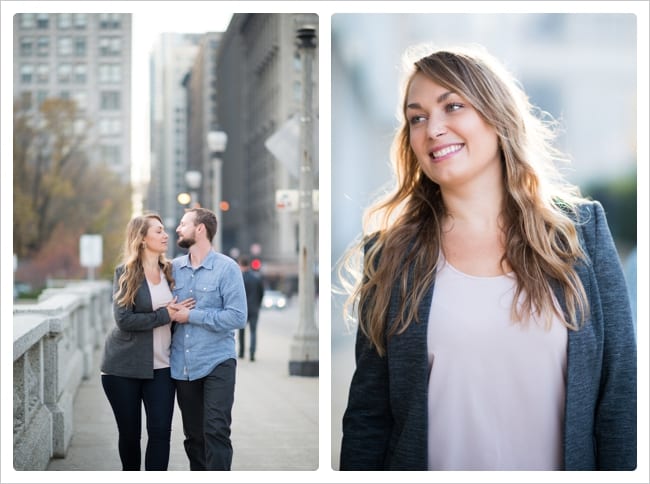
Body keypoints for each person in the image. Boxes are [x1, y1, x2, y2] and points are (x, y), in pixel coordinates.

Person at [338, 45, 636, 471]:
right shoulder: (390, 255)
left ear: (497, 116)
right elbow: (369, 416)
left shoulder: (579, 232)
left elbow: (620, 397)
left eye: (452, 106)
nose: (432, 129)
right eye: (417, 117)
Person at [100, 213, 195, 470]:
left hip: (163, 368)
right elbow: (123, 320)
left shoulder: (171, 271)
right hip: (123, 368)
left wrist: (181, 314)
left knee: (161, 433)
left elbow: (180, 311)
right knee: (130, 436)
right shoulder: (126, 272)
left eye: (165, 231)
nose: (166, 235)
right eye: (158, 231)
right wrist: (165, 314)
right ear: (142, 239)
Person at [168, 207, 247, 470]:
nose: (178, 229)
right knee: (194, 437)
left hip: (217, 362)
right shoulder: (173, 269)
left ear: (200, 229)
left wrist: (192, 316)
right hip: (183, 366)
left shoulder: (227, 269)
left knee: (216, 431)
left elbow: (237, 317)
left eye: (183, 224)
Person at [237, 256, 265, 361]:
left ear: (240, 265)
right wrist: (257, 304)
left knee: (241, 331)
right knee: (253, 332)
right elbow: (261, 293)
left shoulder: (239, 278)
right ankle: (252, 354)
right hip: (254, 309)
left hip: (242, 309)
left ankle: (241, 352)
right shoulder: (256, 278)